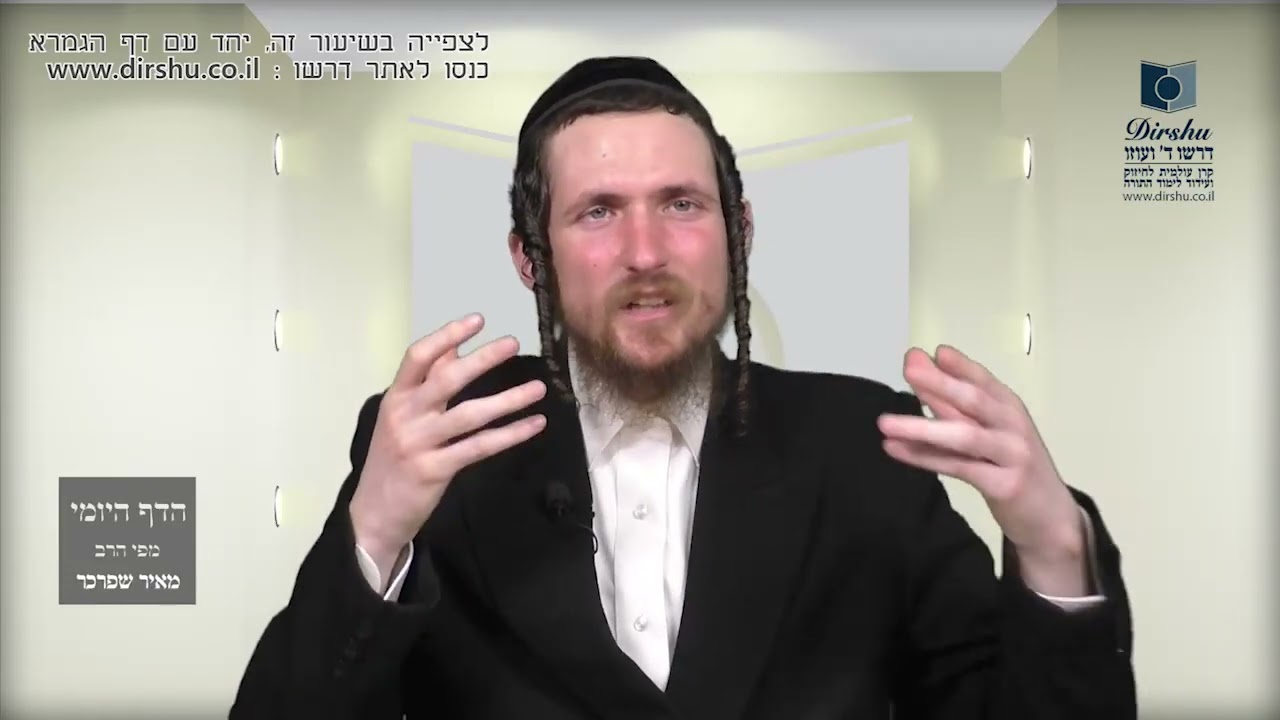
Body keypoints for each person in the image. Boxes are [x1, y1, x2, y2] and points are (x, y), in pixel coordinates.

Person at [231, 56, 1136, 719]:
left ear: (738, 231)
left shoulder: (865, 445)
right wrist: (373, 537)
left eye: (681, 204)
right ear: (529, 258)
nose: (646, 253)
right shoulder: (443, 444)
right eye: (598, 212)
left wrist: (1055, 548)